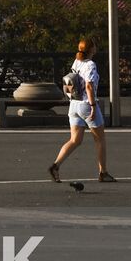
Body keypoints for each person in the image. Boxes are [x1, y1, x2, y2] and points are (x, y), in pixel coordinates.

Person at [48, 37, 115, 183]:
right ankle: (103, 172)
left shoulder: (77, 62)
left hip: (74, 105)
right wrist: (93, 106)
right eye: (95, 45)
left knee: (75, 140)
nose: (96, 47)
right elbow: (89, 86)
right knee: (100, 139)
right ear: (91, 49)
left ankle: (56, 165)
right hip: (86, 104)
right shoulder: (90, 64)